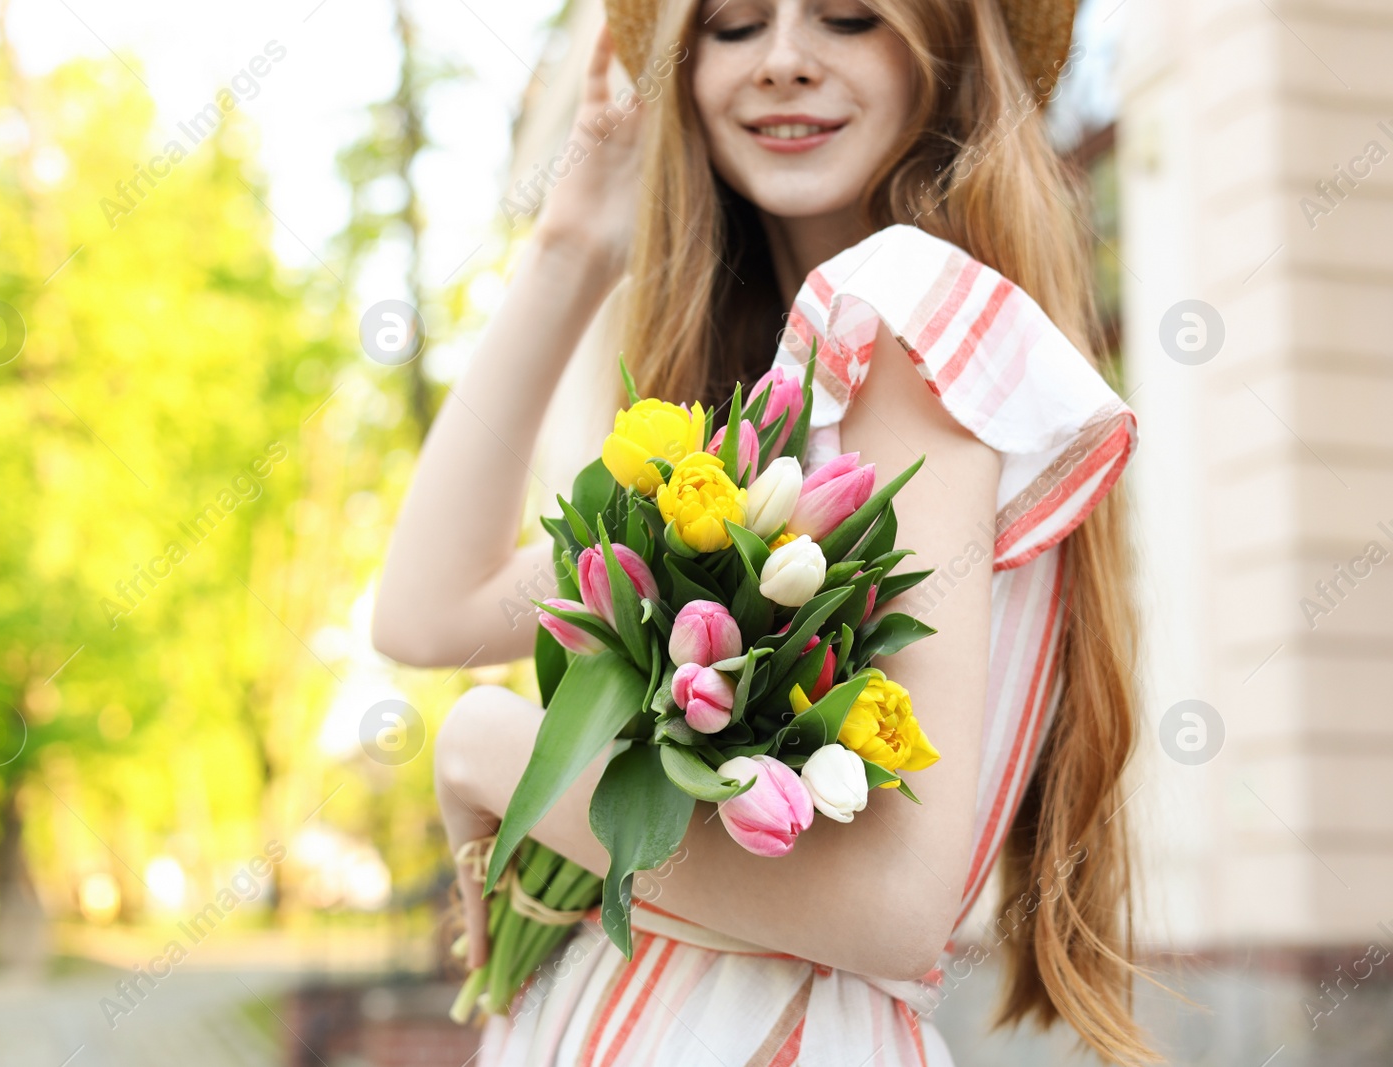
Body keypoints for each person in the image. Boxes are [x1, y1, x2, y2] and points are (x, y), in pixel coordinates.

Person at [372, 0, 1158, 1062]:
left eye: (846, 17)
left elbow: (886, 903)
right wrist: (570, 246)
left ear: (945, 50)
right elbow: (429, 611)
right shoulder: (774, 414)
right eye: (736, 25)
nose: (784, 60)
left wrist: (489, 746)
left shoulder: (898, 308)